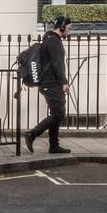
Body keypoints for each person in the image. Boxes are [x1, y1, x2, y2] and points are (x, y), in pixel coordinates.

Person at [25, 16, 72, 154]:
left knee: (56, 113)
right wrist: (64, 82)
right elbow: (58, 65)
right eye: (68, 29)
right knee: (59, 114)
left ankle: (54, 146)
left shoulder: (49, 40)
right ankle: (32, 134)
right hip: (51, 83)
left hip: (49, 83)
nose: (69, 32)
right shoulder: (54, 42)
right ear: (62, 27)